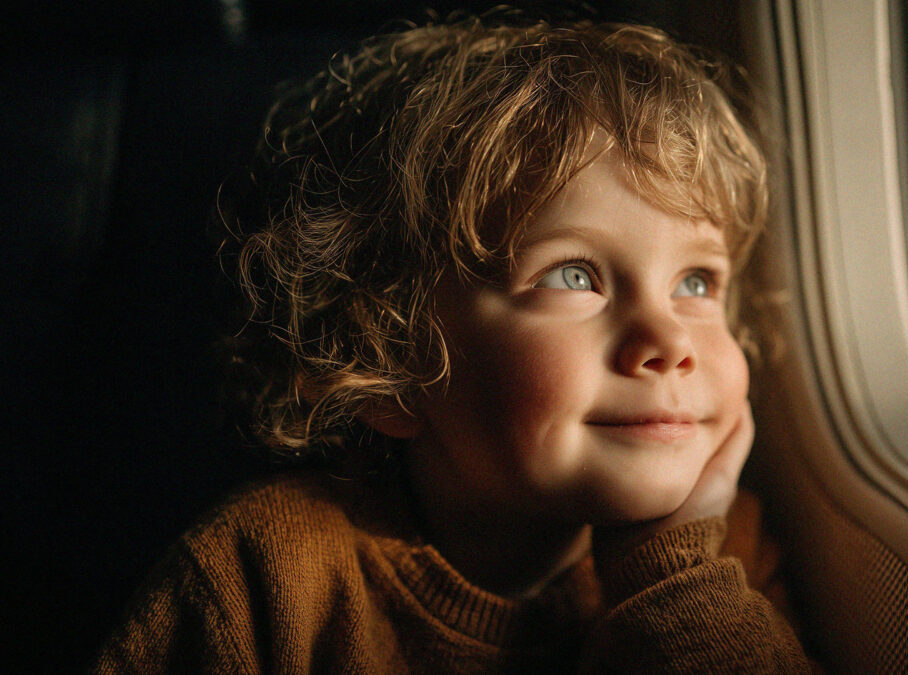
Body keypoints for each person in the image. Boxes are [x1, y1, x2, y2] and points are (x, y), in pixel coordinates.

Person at [94, 16, 813, 673]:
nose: (668, 341)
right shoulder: (259, 578)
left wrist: (675, 574)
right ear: (389, 358)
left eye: (696, 282)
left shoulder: (719, 553)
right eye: (574, 274)